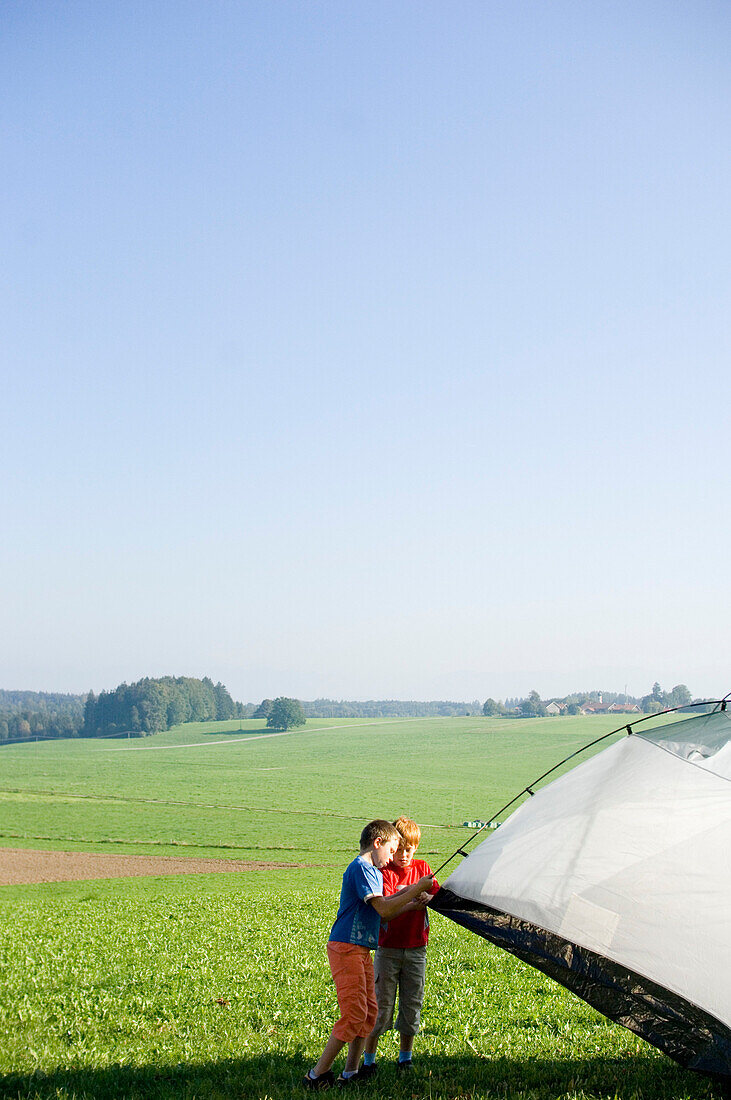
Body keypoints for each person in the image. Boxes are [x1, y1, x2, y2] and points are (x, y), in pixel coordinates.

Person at [303, 819, 434, 1089]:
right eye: (392, 849)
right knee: (353, 1015)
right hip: (346, 947)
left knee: (368, 1013)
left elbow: (385, 909)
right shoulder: (362, 868)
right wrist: (417, 889)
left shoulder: (373, 870)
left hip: (362, 949)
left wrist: (412, 900)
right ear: (377, 843)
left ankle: (350, 1073)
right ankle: (317, 1075)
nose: (393, 857)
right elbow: (384, 910)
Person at [361, 816, 439, 1074]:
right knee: (381, 1004)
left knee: (411, 1002)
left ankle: (405, 1057)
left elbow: (436, 892)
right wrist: (413, 894)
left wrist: (428, 895)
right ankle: (369, 1060)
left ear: (416, 848)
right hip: (388, 948)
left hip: (417, 948)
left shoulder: (423, 869)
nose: (404, 855)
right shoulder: (384, 873)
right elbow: (387, 902)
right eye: (399, 850)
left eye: (410, 849)